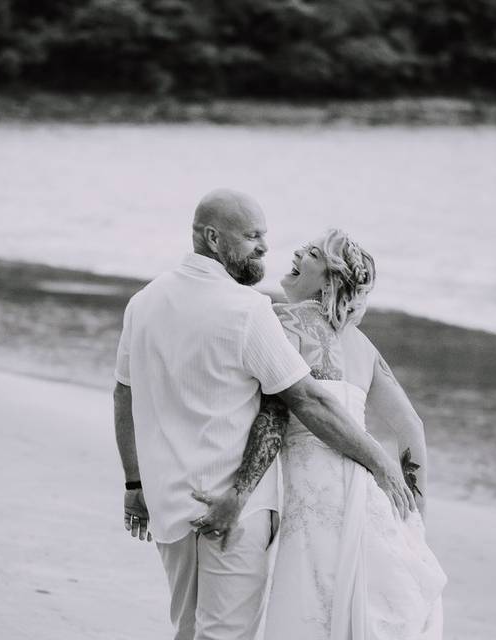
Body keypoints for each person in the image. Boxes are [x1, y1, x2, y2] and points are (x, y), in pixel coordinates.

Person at [112, 190, 414, 640]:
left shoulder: (144, 302)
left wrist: (135, 485)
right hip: (238, 505)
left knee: (189, 628)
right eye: (253, 236)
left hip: (168, 501)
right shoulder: (248, 311)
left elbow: (123, 396)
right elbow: (306, 402)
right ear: (214, 238)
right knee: (226, 634)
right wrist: (381, 464)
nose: (266, 248)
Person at [196, 229, 447, 639]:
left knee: (311, 616)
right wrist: (415, 520)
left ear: (330, 280)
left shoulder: (282, 321)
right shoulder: (364, 347)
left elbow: (272, 415)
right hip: (368, 498)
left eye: (312, 253)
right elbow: (412, 429)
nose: (297, 252)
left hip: (316, 501)